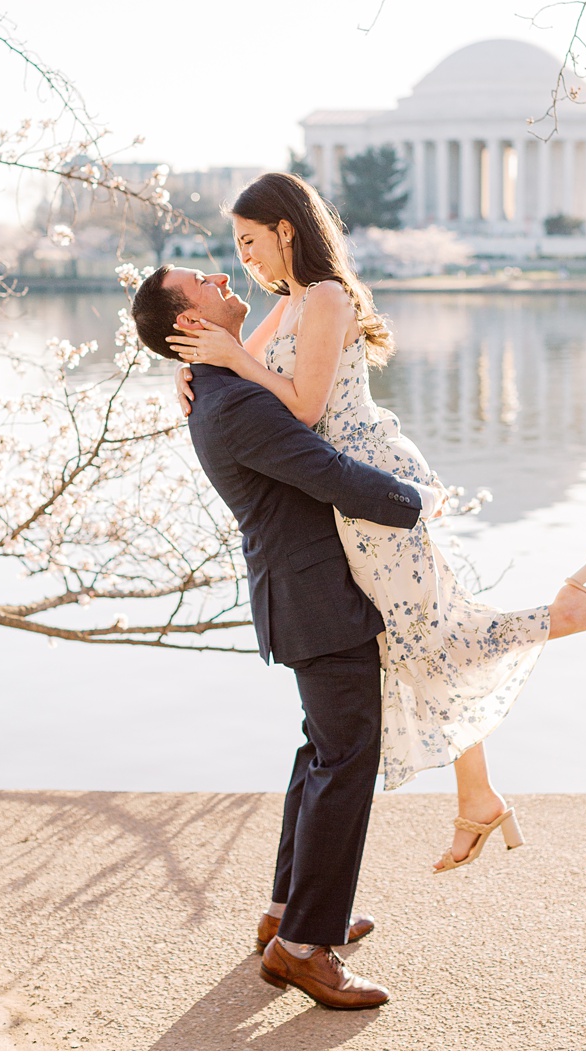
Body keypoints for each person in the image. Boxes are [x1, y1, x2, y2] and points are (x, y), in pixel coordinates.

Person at [152, 172, 586, 878]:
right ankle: (479, 794)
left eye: (250, 243)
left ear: (286, 230)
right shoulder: (290, 303)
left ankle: (567, 615)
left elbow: (300, 406)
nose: (245, 262)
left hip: (369, 489)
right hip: (344, 500)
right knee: (416, 639)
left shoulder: (324, 296)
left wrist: (233, 358)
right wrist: (185, 371)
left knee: (424, 636)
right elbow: (236, 369)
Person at [133, 260, 440, 1009]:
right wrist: (418, 500)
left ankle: (286, 915)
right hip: (316, 599)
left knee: (321, 751)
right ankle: (305, 947)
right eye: (202, 280)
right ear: (189, 324)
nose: (219, 272)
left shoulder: (221, 385)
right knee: (346, 757)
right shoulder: (234, 402)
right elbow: (327, 471)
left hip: (299, 594)